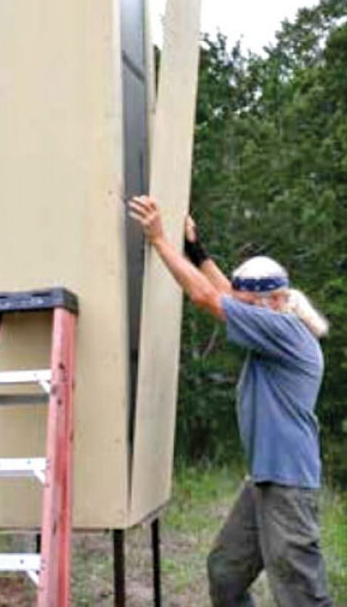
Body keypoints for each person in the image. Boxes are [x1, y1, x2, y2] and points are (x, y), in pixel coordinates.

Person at [128, 195, 332, 607]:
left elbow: (208, 298)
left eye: (248, 305)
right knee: (226, 574)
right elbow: (226, 294)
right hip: (264, 479)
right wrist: (196, 250)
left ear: (273, 301)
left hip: (288, 485)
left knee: (300, 594)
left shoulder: (286, 332)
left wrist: (159, 241)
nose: (241, 309)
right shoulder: (273, 318)